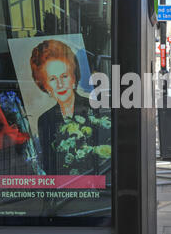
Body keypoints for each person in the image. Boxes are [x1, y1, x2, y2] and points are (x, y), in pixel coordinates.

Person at [30, 40, 111, 176]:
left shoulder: (93, 107)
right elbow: (48, 162)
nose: (60, 84)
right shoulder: (45, 119)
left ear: (74, 77)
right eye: (52, 79)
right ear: (45, 86)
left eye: (64, 76)